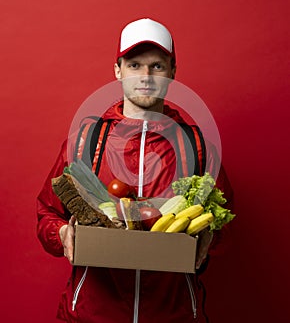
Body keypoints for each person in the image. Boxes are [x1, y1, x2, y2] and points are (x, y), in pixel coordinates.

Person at [37, 18, 233, 323]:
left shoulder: (198, 148)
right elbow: (46, 214)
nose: (145, 76)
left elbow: (225, 222)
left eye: (157, 66)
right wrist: (63, 234)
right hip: (94, 315)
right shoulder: (84, 143)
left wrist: (210, 237)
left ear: (173, 73)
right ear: (117, 71)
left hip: (174, 315)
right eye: (134, 65)